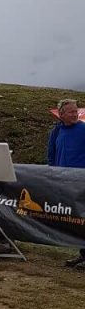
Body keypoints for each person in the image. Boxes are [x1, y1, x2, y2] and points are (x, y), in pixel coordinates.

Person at [48, 98, 85, 269]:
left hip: (81, 182)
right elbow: (51, 155)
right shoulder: (56, 131)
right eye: (71, 111)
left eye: (76, 111)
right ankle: (83, 254)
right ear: (61, 114)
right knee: (75, 220)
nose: (75, 114)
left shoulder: (83, 129)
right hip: (63, 182)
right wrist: (52, 175)